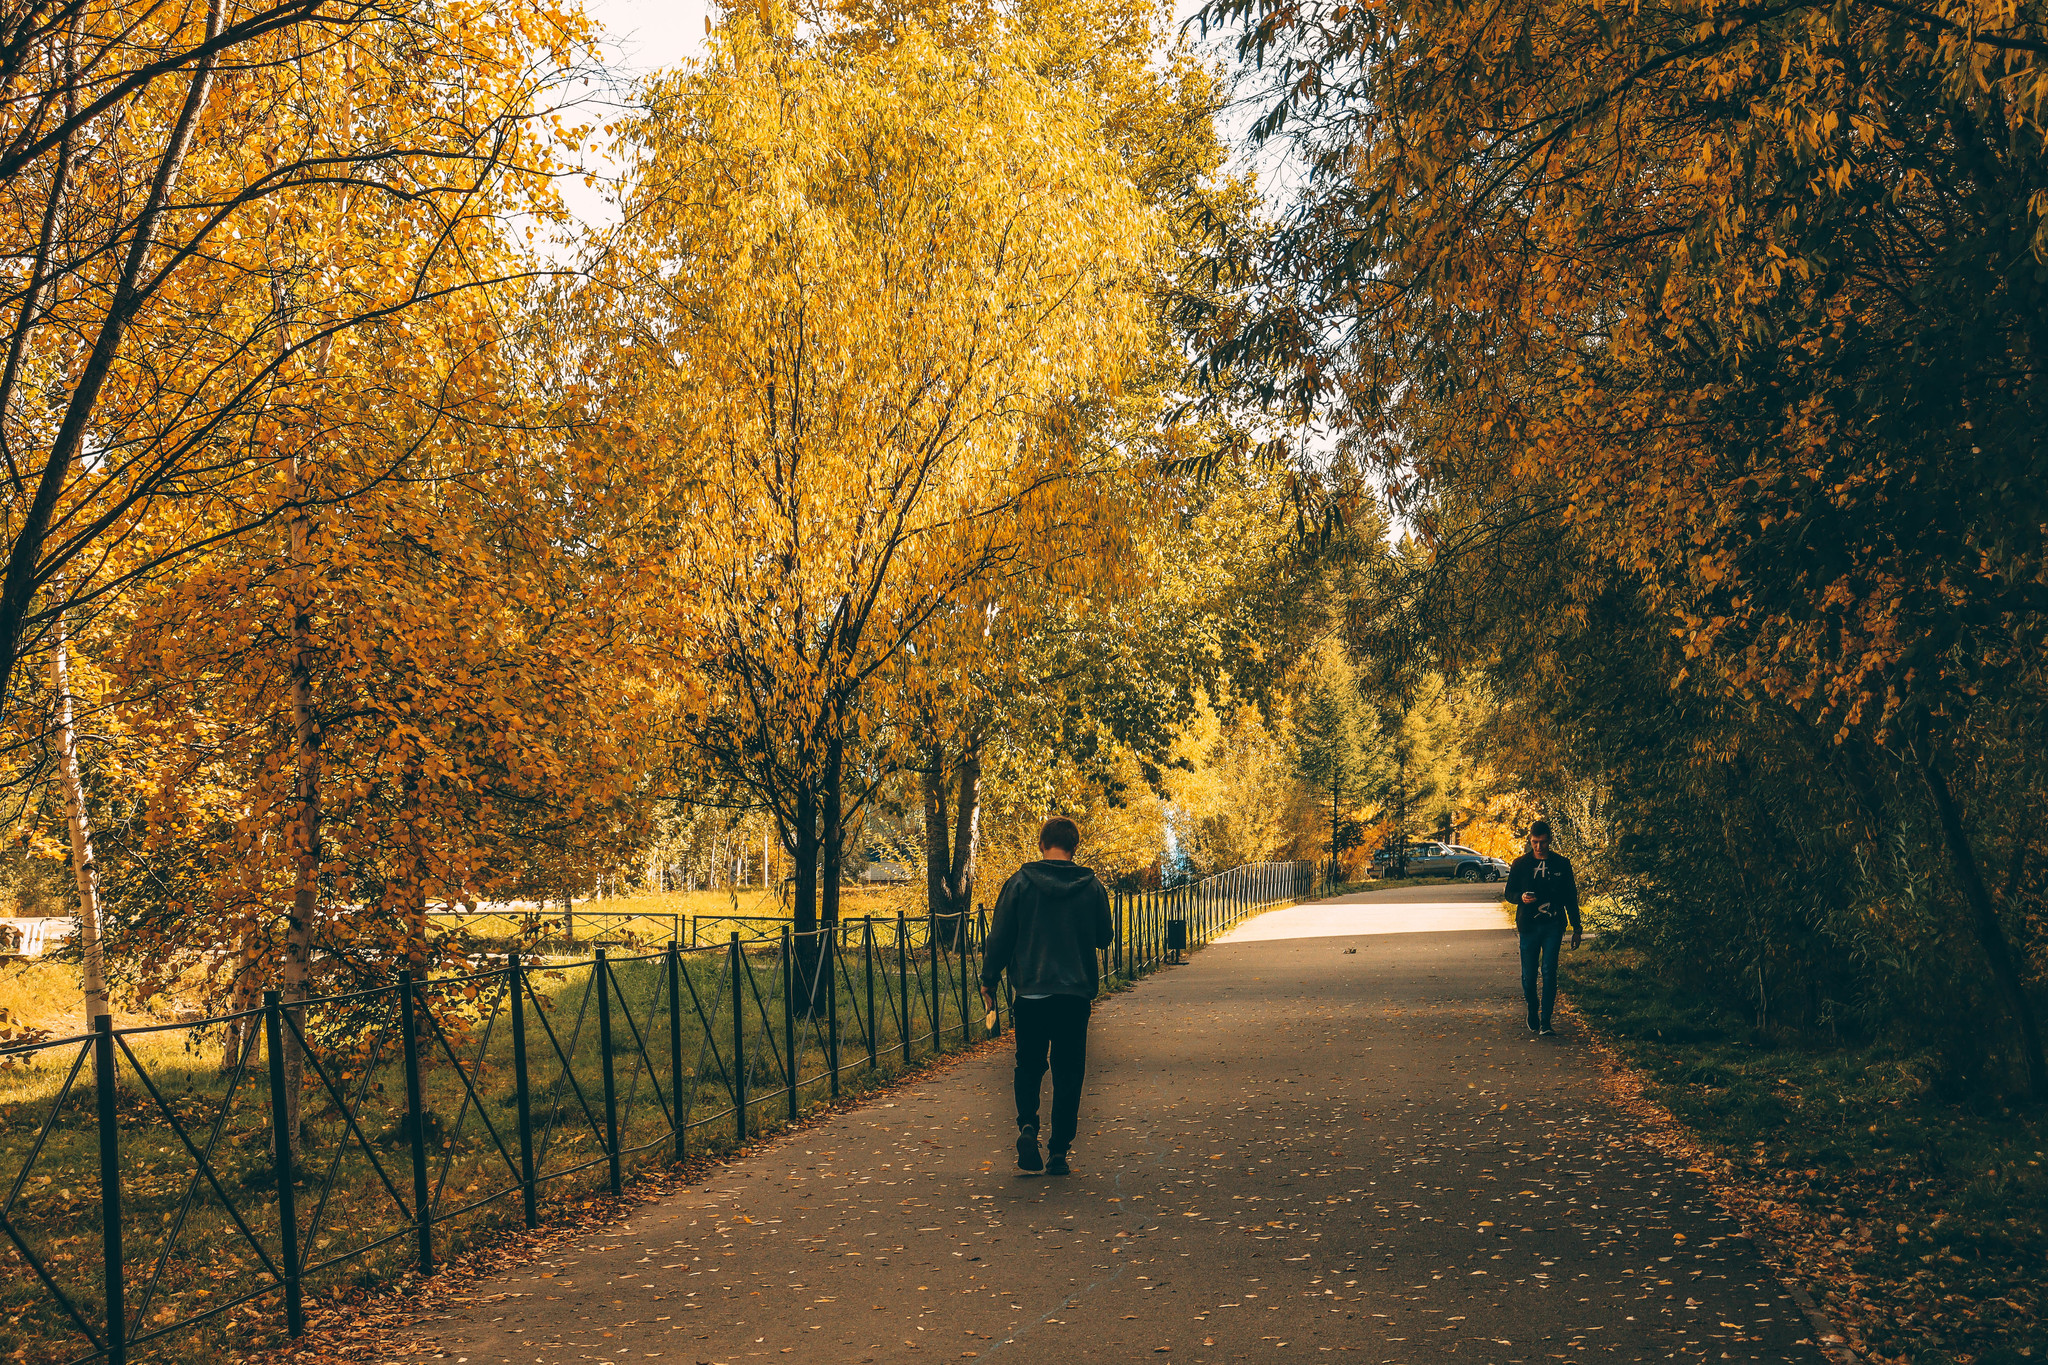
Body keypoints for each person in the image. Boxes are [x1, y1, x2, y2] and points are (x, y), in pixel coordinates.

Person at [979, 816, 1114, 1175]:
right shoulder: (1091, 886)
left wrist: (989, 979)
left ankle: (1028, 1126)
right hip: (1073, 996)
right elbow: (1104, 936)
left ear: (1042, 844)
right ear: (1075, 847)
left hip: (1031, 993)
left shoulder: (1020, 883)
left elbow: (1001, 936)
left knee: (1029, 1064)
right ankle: (1058, 1152)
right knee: (1069, 1072)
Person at [1502, 819, 1581, 1036]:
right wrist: (1521, 898)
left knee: (1549, 971)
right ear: (1530, 840)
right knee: (1528, 976)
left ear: (1549, 840)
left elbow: (1570, 897)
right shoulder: (1521, 864)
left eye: (1543, 842)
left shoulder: (1561, 864)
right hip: (1528, 926)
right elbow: (1509, 893)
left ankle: (1546, 1021)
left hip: (1554, 925)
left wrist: (1577, 928)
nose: (1539, 847)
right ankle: (1532, 1008)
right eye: (1535, 842)